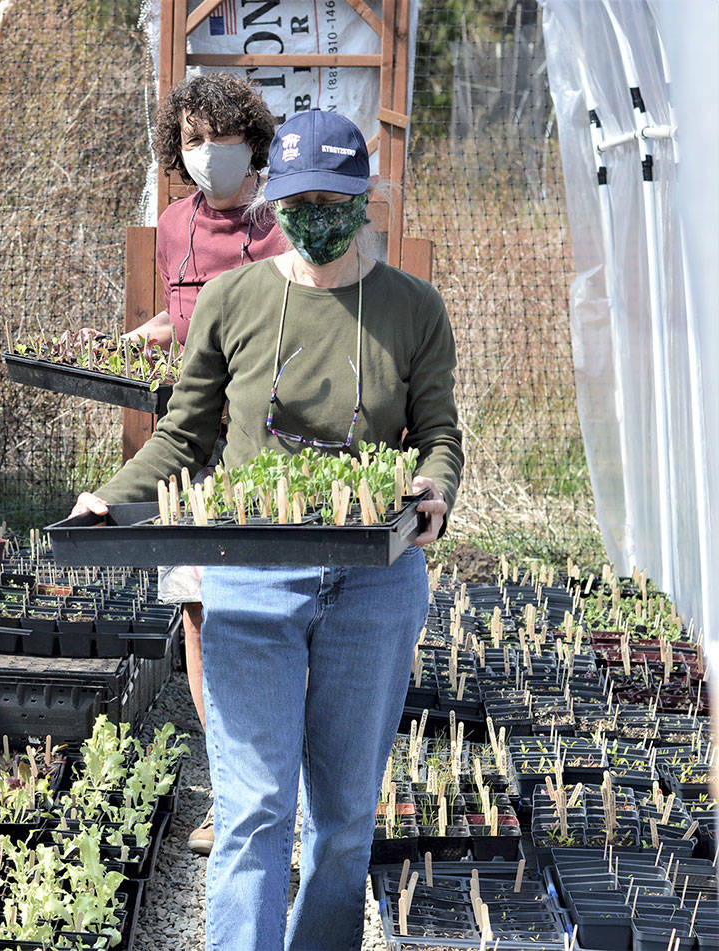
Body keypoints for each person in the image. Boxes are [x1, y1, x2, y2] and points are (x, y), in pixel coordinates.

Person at [71, 108, 463, 950]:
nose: (314, 214)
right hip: (252, 577)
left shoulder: (411, 308)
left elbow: (439, 436)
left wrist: (433, 488)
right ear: (272, 199)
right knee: (253, 808)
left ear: (365, 200)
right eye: (297, 198)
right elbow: (184, 436)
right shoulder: (232, 299)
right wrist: (111, 496)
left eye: (333, 197)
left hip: (374, 583)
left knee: (346, 817)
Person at [124, 74, 286, 857]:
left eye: (219, 138)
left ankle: (282, 794)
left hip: (270, 454)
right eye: (190, 138)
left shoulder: (281, 224)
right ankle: (232, 794)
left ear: (252, 142)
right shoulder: (173, 222)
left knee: (264, 619)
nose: (204, 153)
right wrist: (139, 339)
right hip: (193, 450)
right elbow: (186, 316)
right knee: (196, 617)